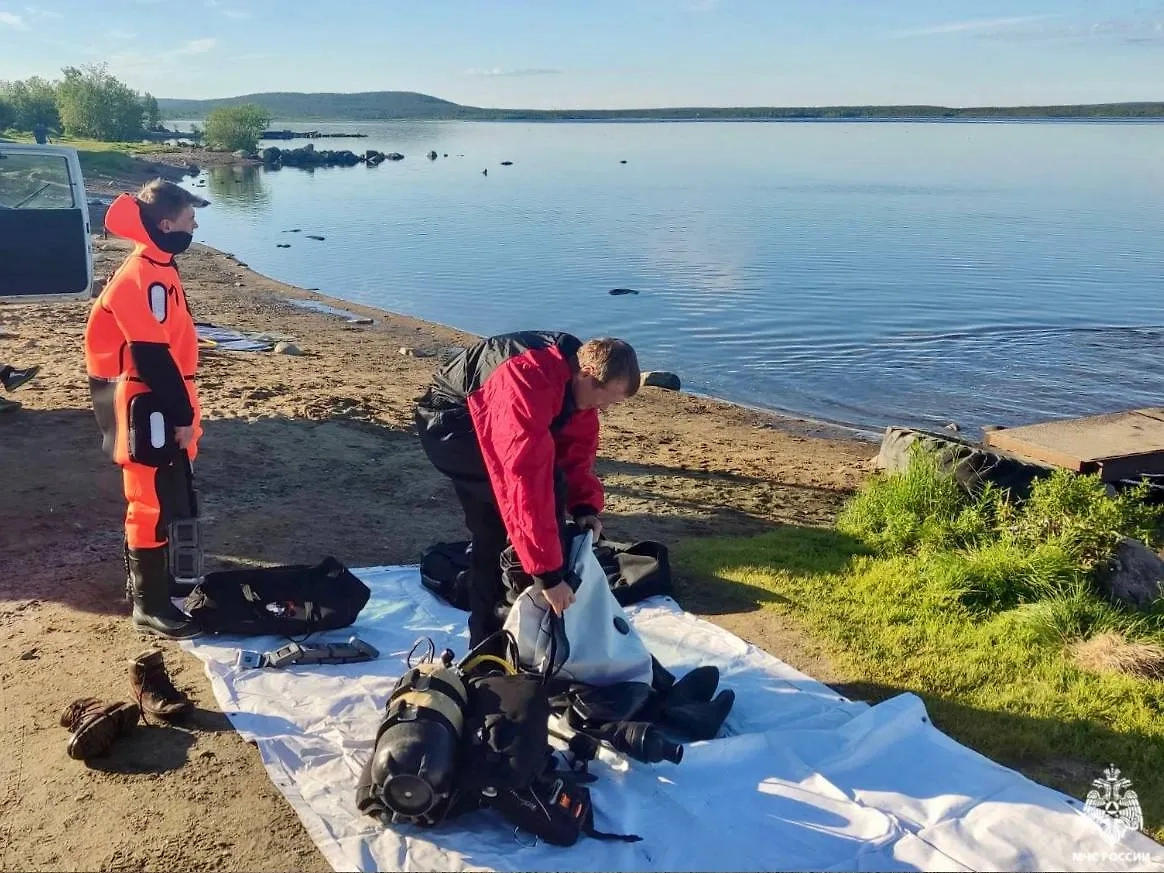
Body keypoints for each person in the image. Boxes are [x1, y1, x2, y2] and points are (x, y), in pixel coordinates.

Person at [415, 331, 639, 645]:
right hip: (452, 424)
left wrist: (584, 506)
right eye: (607, 399)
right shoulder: (527, 382)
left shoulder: (576, 379)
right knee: (499, 522)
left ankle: (511, 630)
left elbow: (577, 447)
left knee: (529, 508)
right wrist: (548, 575)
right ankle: (493, 637)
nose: (606, 408)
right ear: (587, 375)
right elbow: (525, 482)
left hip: (489, 408)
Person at [83, 179, 207, 640]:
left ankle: (166, 583)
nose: (195, 226)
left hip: (159, 395)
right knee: (148, 500)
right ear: (165, 223)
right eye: (190, 219)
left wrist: (185, 413)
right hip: (142, 401)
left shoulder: (161, 267)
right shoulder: (141, 275)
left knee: (170, 491)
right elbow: (152, 356)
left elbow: (168, 349)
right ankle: (148, 603)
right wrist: (182, 419)